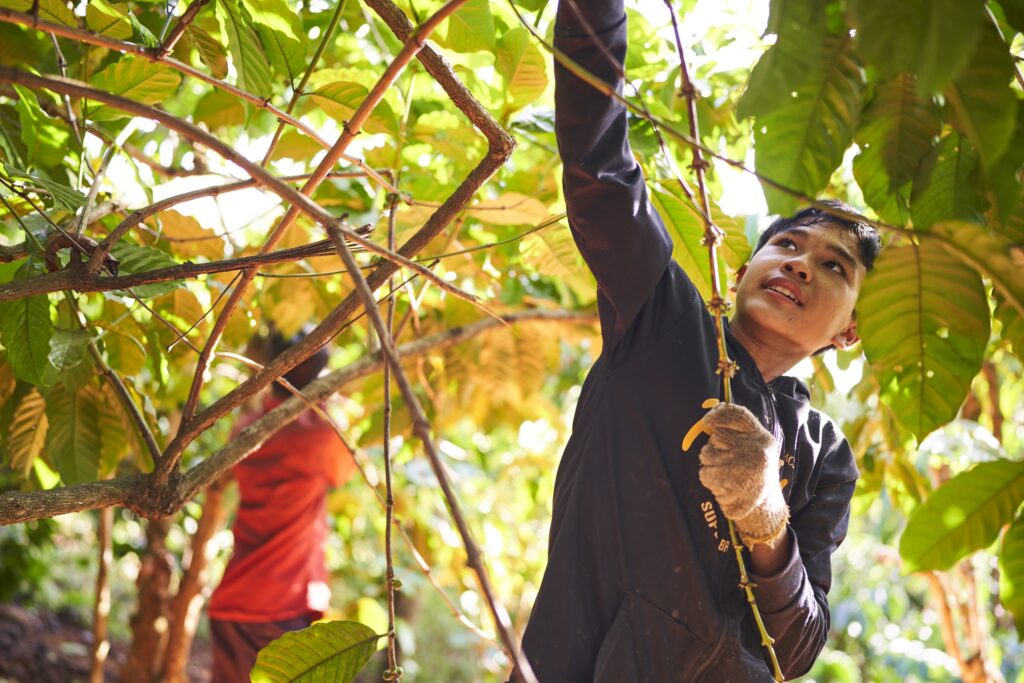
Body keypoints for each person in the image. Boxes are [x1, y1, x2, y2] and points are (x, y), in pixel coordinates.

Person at [519, 1, 881, 681]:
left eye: (834, 266)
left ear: (850, 330)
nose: (800, 263)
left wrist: (765, 515)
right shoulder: (661, 323)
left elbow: (798, 649)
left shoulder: (825, 455)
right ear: (744, 271)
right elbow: (601, 167)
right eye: (787, 244)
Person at [208, 331, 355, 682]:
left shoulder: (247, 428)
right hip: (278, 609)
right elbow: (344, 470)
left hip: (234, 603)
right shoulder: (320, 437)